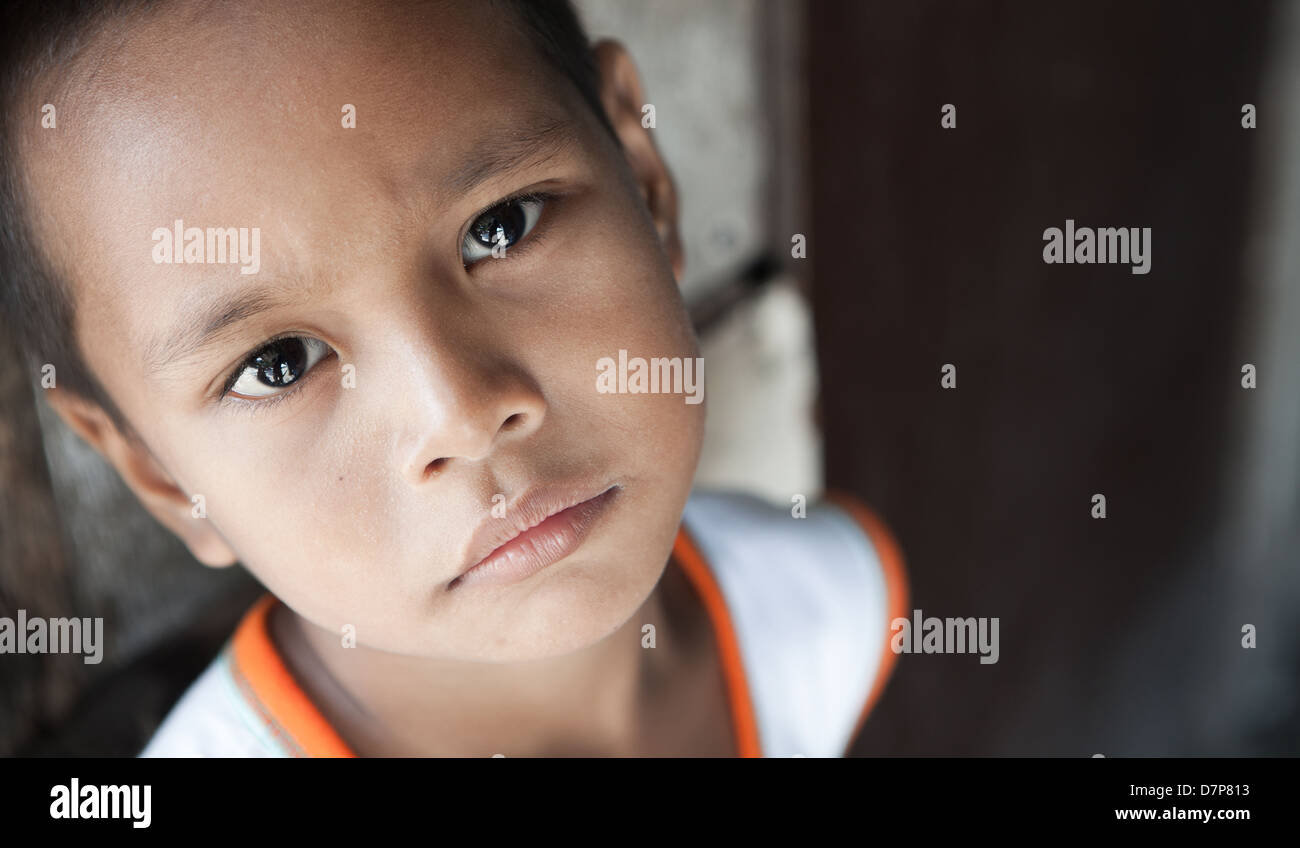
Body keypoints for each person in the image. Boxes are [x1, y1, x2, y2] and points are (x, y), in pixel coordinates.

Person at [0, 0, 907, 757]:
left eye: (503, 225)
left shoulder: (820, 607)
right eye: (278, 364)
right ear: (162, 478)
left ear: (643, 177)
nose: (464, 414)